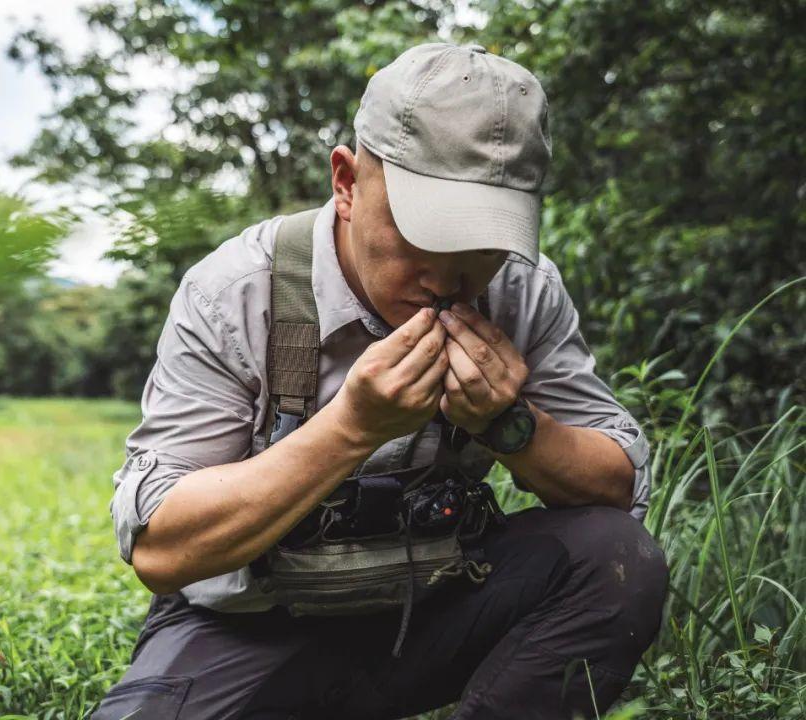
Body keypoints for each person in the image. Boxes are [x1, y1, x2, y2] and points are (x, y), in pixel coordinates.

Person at [94, 43, 669, 720]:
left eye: (481, 245)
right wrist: (350, 430)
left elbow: (618, 486)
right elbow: (160, 546)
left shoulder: (522, 293)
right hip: (247, 628)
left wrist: (510, 424)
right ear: (346, 181)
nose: (447, 278)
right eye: (422, 233)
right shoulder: (237, 293)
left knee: (613, 558)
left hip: (436, 607)